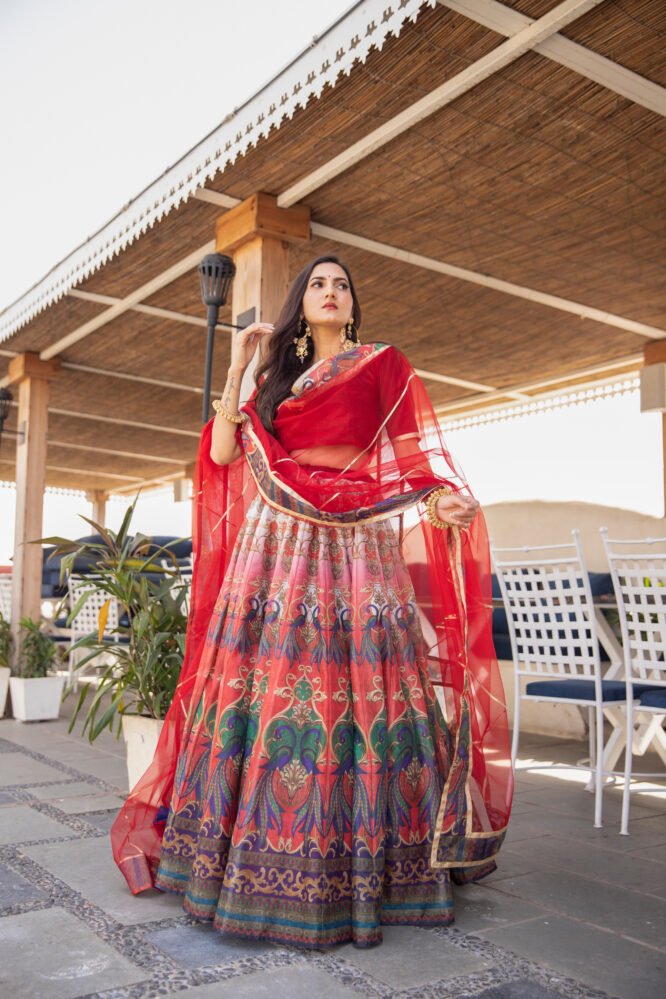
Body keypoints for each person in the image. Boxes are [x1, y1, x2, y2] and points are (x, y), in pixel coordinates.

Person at [111, 255, 513, 949]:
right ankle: (247, 860)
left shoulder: (384, 365)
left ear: (354, 305)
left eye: (342, 285)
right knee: (273, 694)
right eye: (318, 284)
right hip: (277, 552)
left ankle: (375, 869)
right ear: (303, 303)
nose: (331, 292)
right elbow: (224, 452)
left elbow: (413, 456)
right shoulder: (277, 380)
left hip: (359, 546)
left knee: (361, 693)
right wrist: (240, 365)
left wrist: (440, 498)